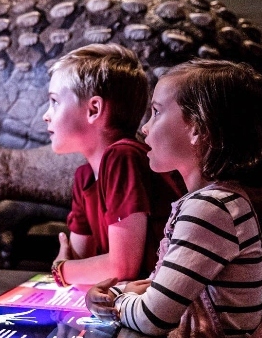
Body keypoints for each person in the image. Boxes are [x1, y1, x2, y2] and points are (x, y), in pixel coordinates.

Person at [86, 60, 262, 338]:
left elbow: (153, 316)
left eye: (156, 112)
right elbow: (157, 288)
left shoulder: (211, 208)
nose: (144, 128)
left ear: (198, 128)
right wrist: (115, 293)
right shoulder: (213, 201)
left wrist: (118, 302)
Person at [44, 44, 185, 286]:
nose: (46, 115)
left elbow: (121, 268)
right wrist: (71, 268)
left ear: (94, 109)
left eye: (55, 101)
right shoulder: (85, 176)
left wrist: (61, 270)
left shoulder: (123, 157)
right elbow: (84, 262)